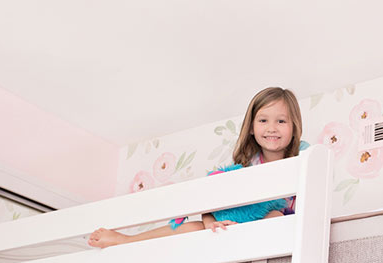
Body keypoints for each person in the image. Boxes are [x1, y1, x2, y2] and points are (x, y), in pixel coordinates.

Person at [88, 86, 305, 248]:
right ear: (251, 128)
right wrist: (212, 223)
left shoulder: (303, 154)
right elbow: (210, 205)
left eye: (281, 121)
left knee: (275, 216)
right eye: (263, 121)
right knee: (192, 227)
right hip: (238, 228)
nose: (272, 129)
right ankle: (126, 241)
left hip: (280, 230)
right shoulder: (245, 166)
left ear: (294, 127)